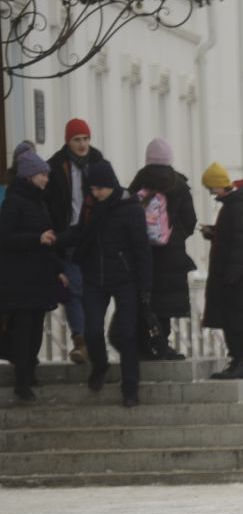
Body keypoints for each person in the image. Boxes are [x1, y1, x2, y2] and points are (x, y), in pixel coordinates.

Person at [71, 161, 151, 407]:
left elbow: (142, 249)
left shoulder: (130, 208)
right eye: (92, 189)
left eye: (100, 189)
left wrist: (145, 286)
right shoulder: (91, 207)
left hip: (125, 280)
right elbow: (81, 234)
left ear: (110, 185)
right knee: (92, 330)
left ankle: (130, 389)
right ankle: (100, 365)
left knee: (127, 334)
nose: (96, 194)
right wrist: (55, 238)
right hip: (95, 278)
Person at [1, 144, 61, 402]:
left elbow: (47, 237)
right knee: (24, 331)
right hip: (20, 281)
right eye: (42, 174)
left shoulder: (38, 202)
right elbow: (5, 238)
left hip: (39, 278)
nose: (46, 178)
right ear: (28, 176)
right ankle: (22, 383)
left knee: (36, 329)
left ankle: (30, 374)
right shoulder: (14, 202)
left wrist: (58, 270)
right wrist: (36, 239)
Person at [127, 138, 196, 361]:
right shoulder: (179, 185)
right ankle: (163, 344)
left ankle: (143, 346)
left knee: (146, 300)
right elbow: (190, 220)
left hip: (143, 253)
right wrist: (174, 236)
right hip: (172, 255)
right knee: (164, 304)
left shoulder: (139, 183)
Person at [46, 118, 104, 363]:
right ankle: (80, 340)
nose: (82, 145)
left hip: (93, 235)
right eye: (77, 140)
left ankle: (91, 339)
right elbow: (49, 203)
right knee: (74, 289)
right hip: (68, 235)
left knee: (94, 290)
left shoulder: (99, 163)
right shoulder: (56, 166)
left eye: (86, 139)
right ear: (68, 141)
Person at [200, 163, 243, 379]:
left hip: (237, 279)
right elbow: (236, 236)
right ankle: (237, 361)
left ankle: (241, 363)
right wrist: (215, 232)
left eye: (211, 188)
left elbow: (241, 243)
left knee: (238, 321)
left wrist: (233, 274)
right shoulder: (235, 205)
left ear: (219, 185)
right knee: (232, 320)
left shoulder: (236, 207)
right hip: (236, 277)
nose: (211, 192)